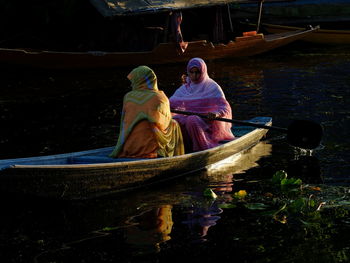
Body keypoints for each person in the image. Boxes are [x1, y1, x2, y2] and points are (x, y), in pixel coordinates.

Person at [110, 66, 184, 158]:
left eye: (133, 81)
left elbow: (124, 123)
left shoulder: (128, 97)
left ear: (139, 80)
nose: (131, 84)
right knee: (174, 124)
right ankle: (166, 155)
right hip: (150, 150)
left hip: (129, 148)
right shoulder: (160, 97)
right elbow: (165, 124)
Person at [169, 57, 235, 152]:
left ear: (203, 72)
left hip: (208, 123)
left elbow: (225, 107)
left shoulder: (212, 87)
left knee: (192, 120)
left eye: (197, 72)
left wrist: (216, 114)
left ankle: (200, 149)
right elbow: (170, 103)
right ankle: (181, 149)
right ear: (188, 72)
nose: (194, 75)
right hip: (190, 121)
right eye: (191, 72)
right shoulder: (185, 88)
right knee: (175, 121)